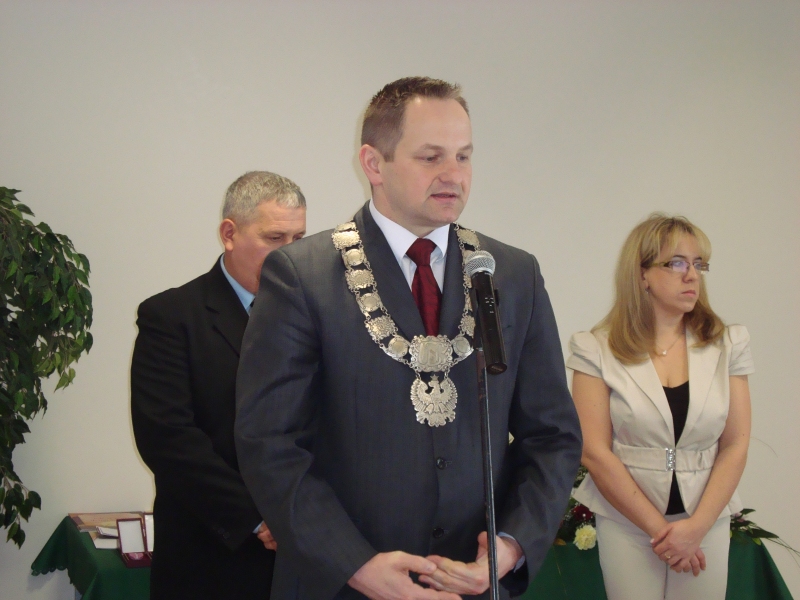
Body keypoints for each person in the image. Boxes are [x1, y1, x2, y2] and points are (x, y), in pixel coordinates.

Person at [234, 76, 582, 599]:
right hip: (346, 586)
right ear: (374, 164)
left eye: (464, 157)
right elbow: (271, 445)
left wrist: (510, 546)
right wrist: (356, 566)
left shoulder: (511, 274)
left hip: (471, 583)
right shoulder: (302, 276)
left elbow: (552, 436)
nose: (453, 175)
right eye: (430, 157)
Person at [131, 171, 307, 600]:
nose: (290, 253)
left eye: (298, 239)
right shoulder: (172, 316)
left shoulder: (315, 317)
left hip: (305, 553)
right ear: (229, 234)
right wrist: (259, 519)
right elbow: (168, 438)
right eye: (274, 238)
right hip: (213, 558)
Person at [567, 213, 753, 600]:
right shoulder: (595, 348)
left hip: (705, 520)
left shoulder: (728, 343)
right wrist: (661, 531)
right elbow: (594, 451)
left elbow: (736, 443)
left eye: (698, 264)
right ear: (642, 275)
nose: (692, 276)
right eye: (677, 264)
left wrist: (696, 528)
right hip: (628, 520)